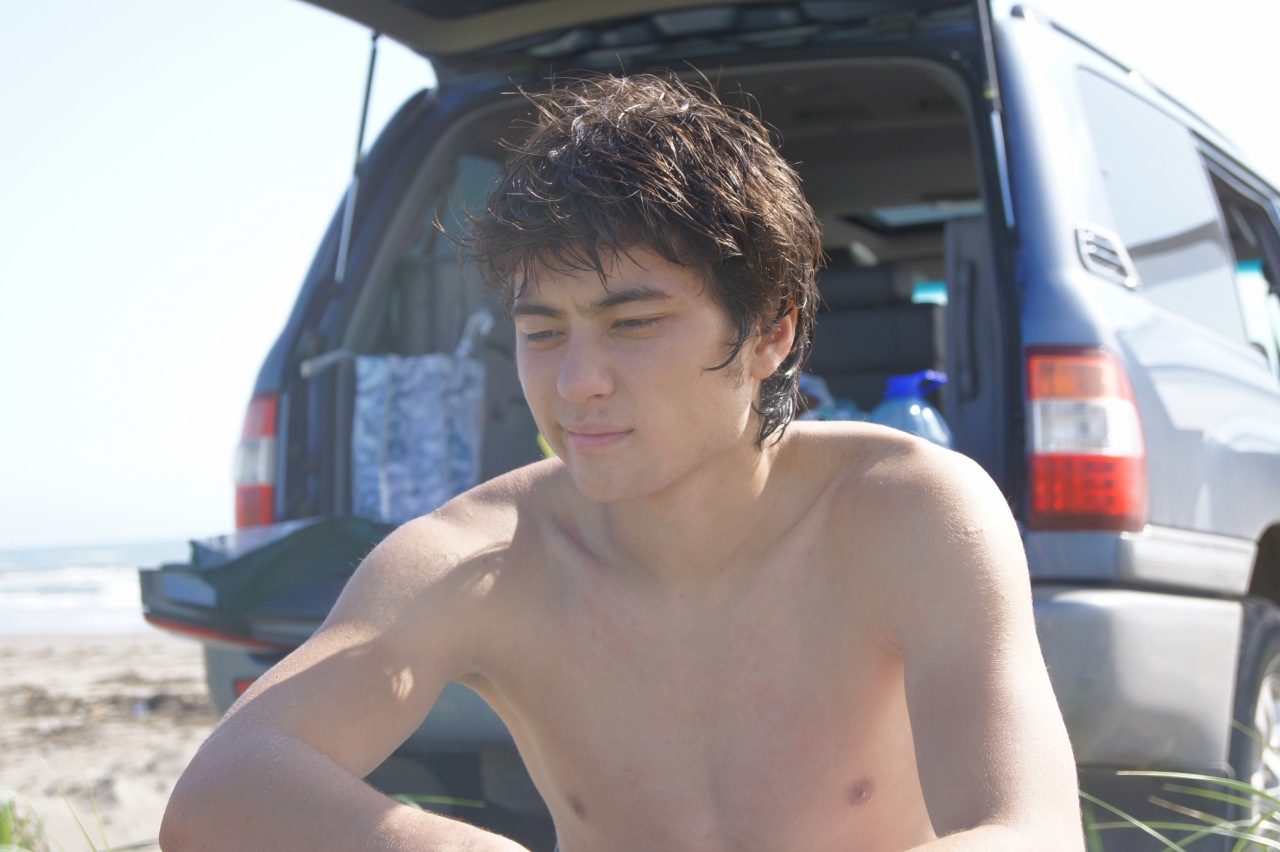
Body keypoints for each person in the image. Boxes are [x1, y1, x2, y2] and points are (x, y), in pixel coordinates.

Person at [160, 73, 1083, 851]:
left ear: (772, 329)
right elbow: (223, 789)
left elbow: (1033, 833)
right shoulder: (480, 556)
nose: (578, 383)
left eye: (634, 324)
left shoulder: (911, 513)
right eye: (542, 332)